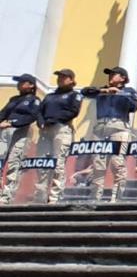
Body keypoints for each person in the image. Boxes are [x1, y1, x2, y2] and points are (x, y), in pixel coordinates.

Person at [81, 66, 137, 202]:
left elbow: (134, 106)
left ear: (123, 78)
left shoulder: (128, 91)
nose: (110, 76)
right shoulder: (101, 90)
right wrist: (105, 91)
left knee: (117, 162)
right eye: (110, 74)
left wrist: (119, 93)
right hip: (100, 127)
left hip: (119, 127)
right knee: (98, 164)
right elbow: (85, 92)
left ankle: (117, 197)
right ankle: (95, 197)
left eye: (114, 74)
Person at [34, 69, 82, 204]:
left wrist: (55, 119)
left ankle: (54, 197)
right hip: (45, 131)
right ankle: (40, 196)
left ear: (71, 80)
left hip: (61, 129)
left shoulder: (74, 95)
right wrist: (41, 122)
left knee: (58, 164)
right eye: (59, 76)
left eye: (63, 77)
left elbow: (74, 111)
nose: (60, 79)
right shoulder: (49, 96)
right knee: (42, 163)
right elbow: (39, 112)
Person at [0, 74, 41, 204]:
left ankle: (6, 197)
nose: (19, 84)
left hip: (21, 132)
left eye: (22, 82)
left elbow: (31, 117)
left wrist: (13, 123)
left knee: (14, 163)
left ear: (31, 85)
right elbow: (3, 113)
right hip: (5, 132)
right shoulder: (14, 99)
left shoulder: (34, 100)